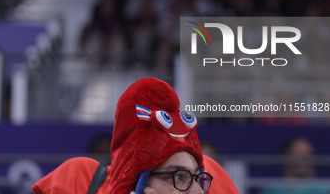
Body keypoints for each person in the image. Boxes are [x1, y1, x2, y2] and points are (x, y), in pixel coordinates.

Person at [32, 77, 239, 193]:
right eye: (178, 176)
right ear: (138, 180)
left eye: (196, 178)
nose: (196, 192)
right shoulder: (79, 181)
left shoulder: (213, 179)